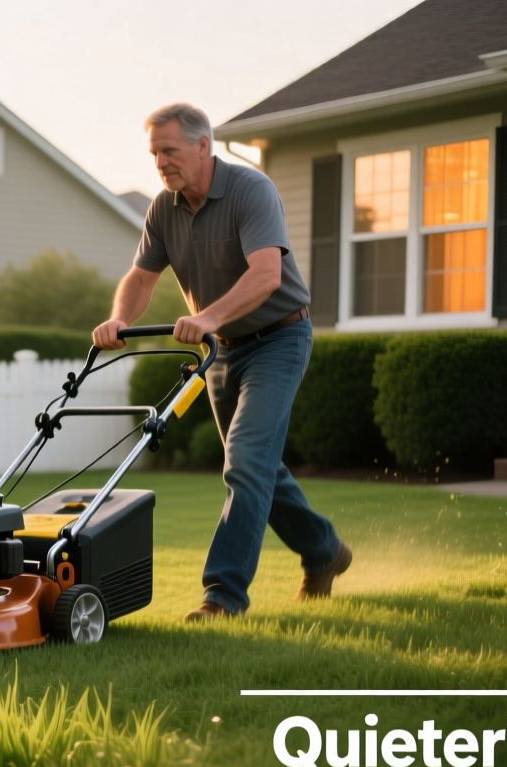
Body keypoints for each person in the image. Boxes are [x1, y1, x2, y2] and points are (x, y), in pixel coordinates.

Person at [92, 102, 350, 621]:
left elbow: (265, 275)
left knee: (246, 461)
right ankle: (324, 551)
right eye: (154, 154)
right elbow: (142, 277)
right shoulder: (164, 208)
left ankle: (223, 596)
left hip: (279, 338)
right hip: (223, 352)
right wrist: (118, 318)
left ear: (203, 146)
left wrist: (207, 316)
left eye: (170, 151)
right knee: (259, 469)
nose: (161, 163)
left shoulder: (250, 191)